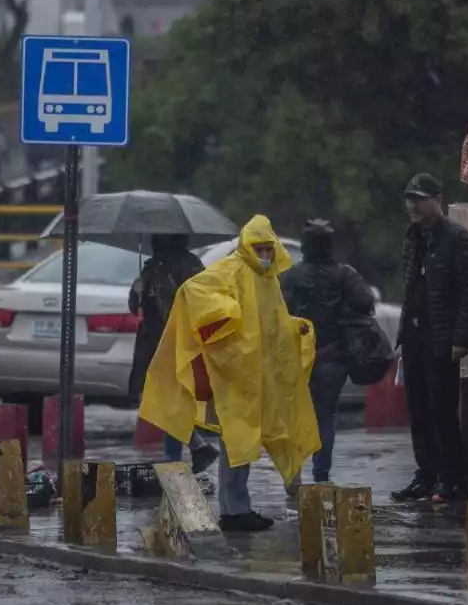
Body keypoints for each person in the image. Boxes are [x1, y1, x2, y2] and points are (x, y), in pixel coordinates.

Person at [138, 215, 320, 532]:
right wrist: (226, 314)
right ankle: (235, 511)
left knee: (245, 443)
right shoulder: (231, 270)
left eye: (268, 249)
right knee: (237, 441)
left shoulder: (268, 280)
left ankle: (238, 508)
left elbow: (268, 324)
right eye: (258, 249)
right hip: (235, 376)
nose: (264, 255)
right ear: (247, 247)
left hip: (257, 376)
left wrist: (293, 328)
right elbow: (195, 292)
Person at [391, 173, 468, 505]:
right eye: (409, 199)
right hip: (415, 334)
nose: (413, 206)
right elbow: (410, 284)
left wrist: (461, 338)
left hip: (441, 337)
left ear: (437, 200)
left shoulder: (456, 238)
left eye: (419, 198)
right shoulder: (412, 237)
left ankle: (453, 481)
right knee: (418, 411)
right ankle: (426, 475)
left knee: (442, 411)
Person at [281, 218, 376, 485]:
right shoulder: (345, 274)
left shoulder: (291, 275)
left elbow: (277, 312)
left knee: (295, 417)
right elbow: (365, 302)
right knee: (326, 416)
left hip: (297, 360)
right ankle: (321, 475)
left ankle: (293, 475)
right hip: (332, 358)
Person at [127, 234, 218, 472]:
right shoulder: (152, 267)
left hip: (177, 341)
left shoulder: (188, 267)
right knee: (164, 398)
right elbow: (135, 305)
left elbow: (204, 302)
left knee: (170, 397)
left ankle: (182, 454)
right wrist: (137, 290)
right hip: (157, 342)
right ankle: (186, 451)